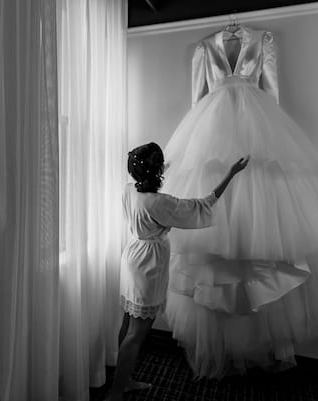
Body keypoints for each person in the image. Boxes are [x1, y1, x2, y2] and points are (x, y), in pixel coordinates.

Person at [105, 142, 248, 401]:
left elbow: (150, 187)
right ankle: (117, 390)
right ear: (156, 170)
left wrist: (167, 165)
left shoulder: (129, 191)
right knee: (137, 333)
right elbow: (202, 205)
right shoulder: (160, 203)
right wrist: (231, 174)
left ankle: (123, 379)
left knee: (127, 323)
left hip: (132, 257)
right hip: (148, 265)